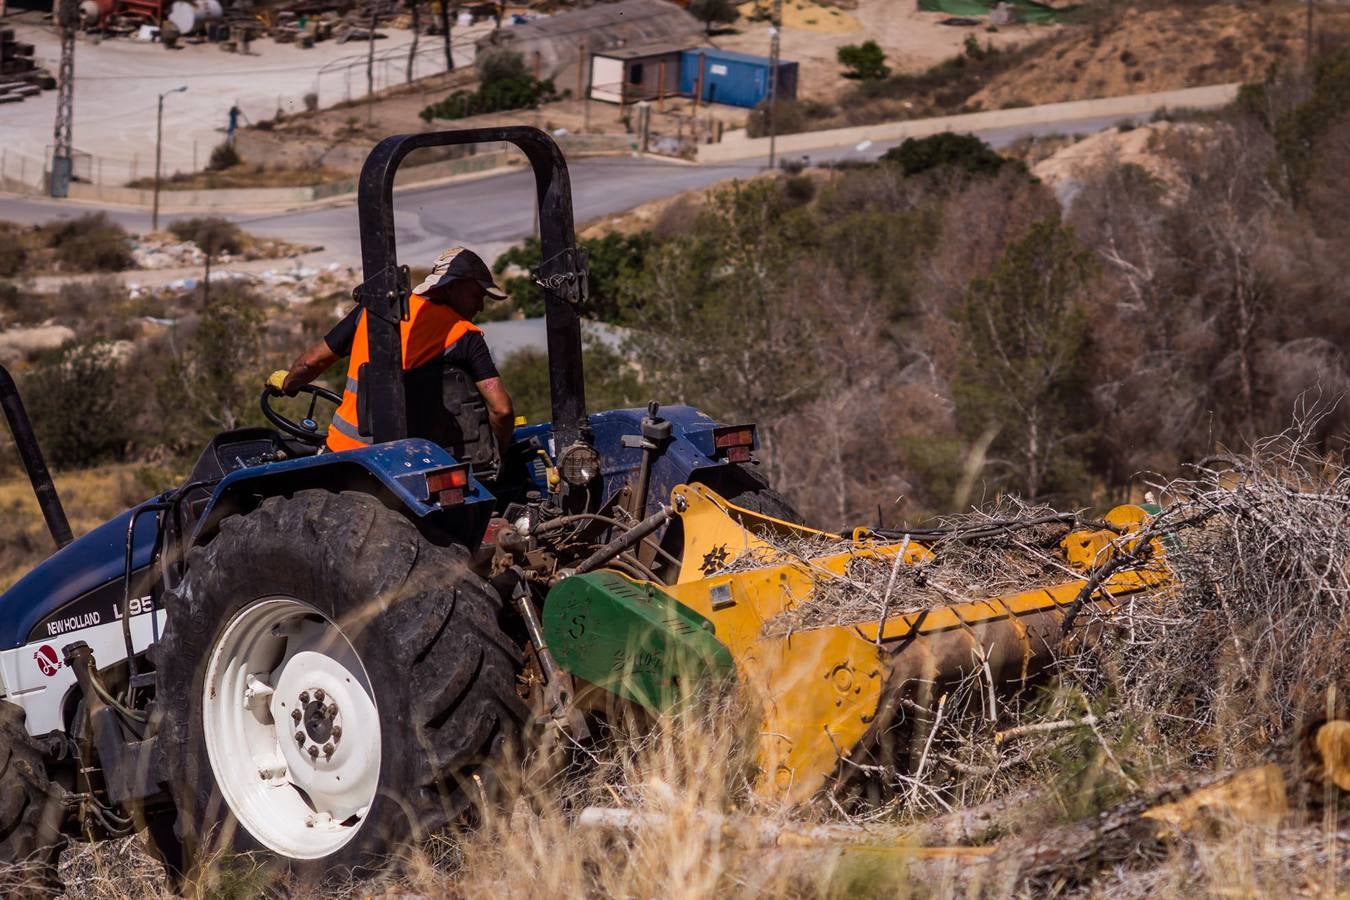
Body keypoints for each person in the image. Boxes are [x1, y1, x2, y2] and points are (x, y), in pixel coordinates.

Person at [270, 246, 515, 455]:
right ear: (452, 287)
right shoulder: (465, 335)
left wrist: (289, 384)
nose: (480, 306)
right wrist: (500, 452)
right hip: (423, 458)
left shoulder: (373, 313)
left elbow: (311, 363)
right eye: (476, 295)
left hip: (348, 454)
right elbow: (501, 409)